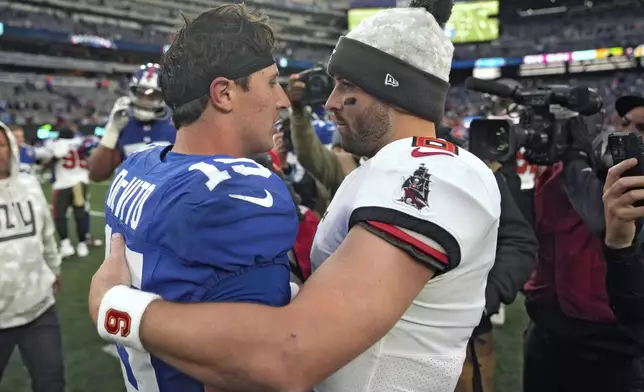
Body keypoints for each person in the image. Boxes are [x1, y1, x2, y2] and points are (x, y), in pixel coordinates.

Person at [89, 1, 502, 392]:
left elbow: (292, 353)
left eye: (347, 86)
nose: (330, 102)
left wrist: (116, 308)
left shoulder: (434, 171)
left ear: (396, 93)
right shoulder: (379, 168)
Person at [89, 5, 297, 391]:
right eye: (271, 82)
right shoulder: (236, 193)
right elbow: (260, 367)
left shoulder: (138, 167)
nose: (283, 100)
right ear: (224, 93)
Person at [0, 122, 65, 392]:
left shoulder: (29, 184)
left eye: (1, 144)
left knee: (51, 383)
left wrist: (54, 267)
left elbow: (47, 234)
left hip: (38, 308)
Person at [88, 63, 176, 182]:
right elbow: (96, 175)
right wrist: (112, 131)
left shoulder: (177, 122)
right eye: (140, 93)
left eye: (153, 95)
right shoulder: (123, 121)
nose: (145, 100)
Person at [41, 128, 91, 258]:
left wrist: (47, 163)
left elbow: (57, 155)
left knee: (59, 215)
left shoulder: (59, 143)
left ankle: (65, 245)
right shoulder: (79, 142)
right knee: (80, 214)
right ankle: (82, 244)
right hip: (80, 183)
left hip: (63, 183)